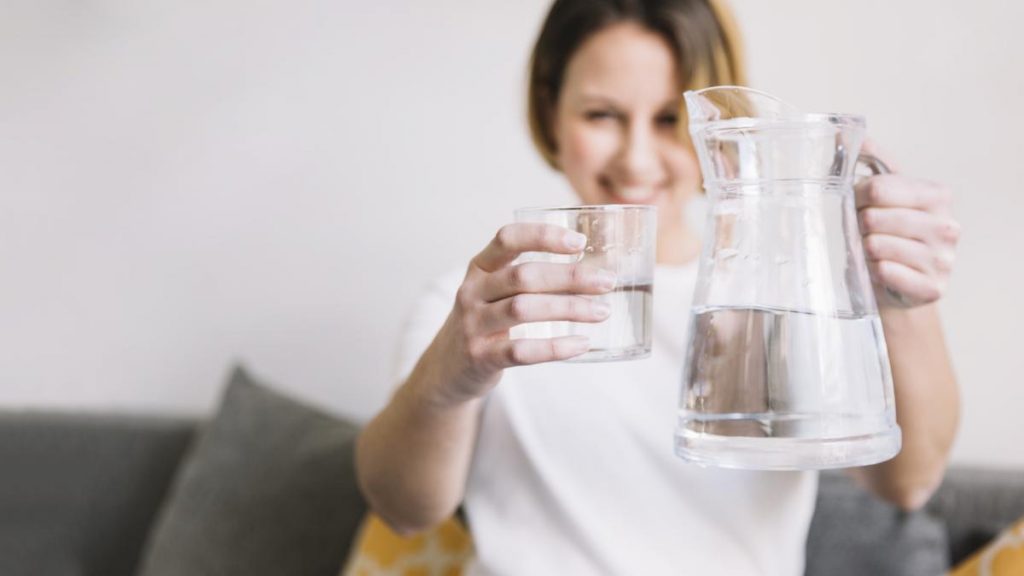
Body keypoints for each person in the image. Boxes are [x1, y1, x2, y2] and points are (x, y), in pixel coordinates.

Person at [356, 0, 961, 574]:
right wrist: (449, 379)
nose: (637, 159)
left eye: (670, 119)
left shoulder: (776, 303)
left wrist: (898, 297)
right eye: (602, 114)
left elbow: (906, 482)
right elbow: (405, 510)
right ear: (550, 111)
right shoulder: (481, 310)